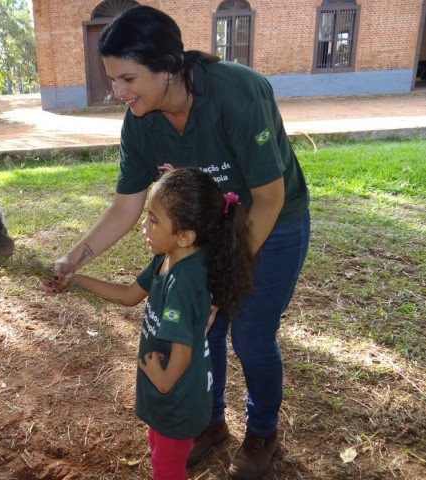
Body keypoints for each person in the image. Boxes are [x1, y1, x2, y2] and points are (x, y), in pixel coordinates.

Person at [40, 5, 310, 479]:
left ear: (167, 66)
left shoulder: (236, 93)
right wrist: (71, 260)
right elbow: (125, 207)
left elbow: (269, 198)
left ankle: (262, 432)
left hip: (272, 222)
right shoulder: (140, 121)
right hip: (203, 230)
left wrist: (220, 280)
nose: (118, 92)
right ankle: (209, 422)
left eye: (128, 78)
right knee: (203, 331)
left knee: (250, 336)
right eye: (112, 80)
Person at [62, 168, 253, 479]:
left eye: (153, 219)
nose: (144, 225)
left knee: (167, 469)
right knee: (159, 452)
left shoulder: (183, 285)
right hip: (171, 392)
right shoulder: (167, 259)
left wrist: (162, 380)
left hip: (176, 396)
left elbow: (183, 349)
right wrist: (77, 280)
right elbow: (128, 296)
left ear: (184, 236)